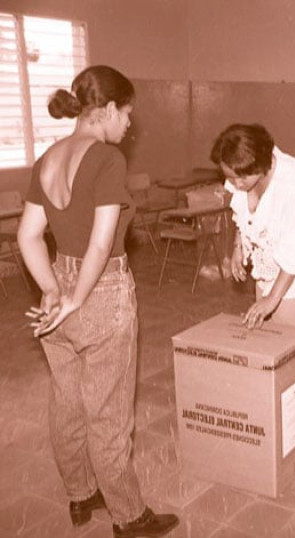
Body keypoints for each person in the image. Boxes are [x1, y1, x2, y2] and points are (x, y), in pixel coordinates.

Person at [16, 65, 179, 538]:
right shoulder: (107, 160)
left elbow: (29, 237)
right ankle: (129, 517)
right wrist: (78, 297)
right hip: (101, 290)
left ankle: (81, 495)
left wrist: (53, 292)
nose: (129, 125)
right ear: (106, 110)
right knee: (108, 412)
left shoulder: (46, 159)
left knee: (67, 401)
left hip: (59, 287)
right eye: (126, 114)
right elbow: (101, 243)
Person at [211, 123, 295, 328]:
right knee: (264, 332)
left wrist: (272, 298)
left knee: (284, 334)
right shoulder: (242, 172)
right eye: (230, 177)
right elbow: (244, 212)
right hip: (267, 259)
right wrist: (238, 246)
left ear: (261, 167)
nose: (236, 184)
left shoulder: (293, 187)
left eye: (241, 178)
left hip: (294, 272)